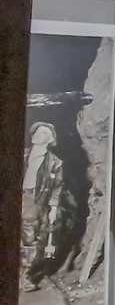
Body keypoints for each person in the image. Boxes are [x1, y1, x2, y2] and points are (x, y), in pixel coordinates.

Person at [20, 121, 65, 292]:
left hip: (34, 201)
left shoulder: (55, 163)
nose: (40, 134)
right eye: (37, 132)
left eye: (45, 133)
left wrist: (53, 208)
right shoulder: (22, 154)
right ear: (32, 136)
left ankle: (24, 276)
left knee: (30, 238)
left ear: (51, 139)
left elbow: (58, 187)